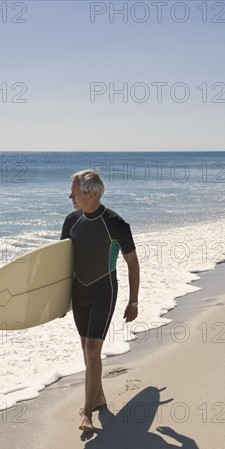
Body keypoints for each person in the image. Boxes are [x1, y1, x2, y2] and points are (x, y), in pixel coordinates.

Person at [61, 169, 140, 431]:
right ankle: (100, 397)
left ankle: (88, 412)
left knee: (93, 350)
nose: (69, 195)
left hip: (104, 292)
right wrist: (58, 301)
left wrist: (134, 301)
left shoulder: (115, 223)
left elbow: (132, 263)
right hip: (78, 293)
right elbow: (60, 265)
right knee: (86, 348)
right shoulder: (71, 221)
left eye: (74, 191)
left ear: (91, 193)